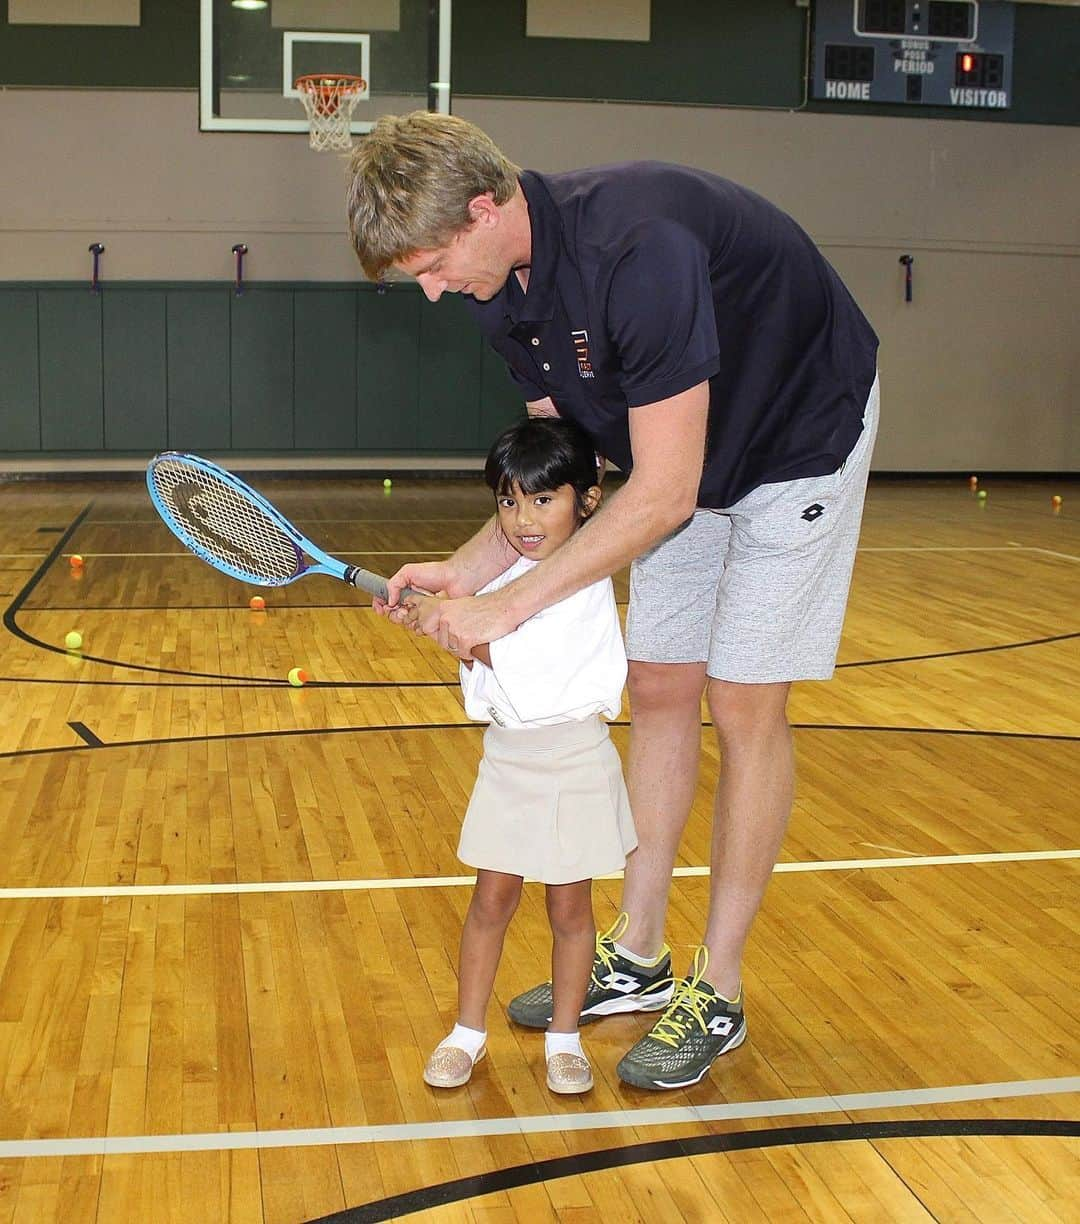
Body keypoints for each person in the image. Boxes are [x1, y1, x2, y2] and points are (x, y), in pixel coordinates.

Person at [349, 112, 880, 1091]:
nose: (429, 290)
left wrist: (508, 612)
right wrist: (472, 571)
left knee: (744, 700)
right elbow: (564, 467)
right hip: (675, 458)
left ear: (484, 208)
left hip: (794, 435)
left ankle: (717, 990)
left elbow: (664, 495)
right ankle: (637, 957)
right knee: (661, 683)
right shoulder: (497, 289)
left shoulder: (640, 249)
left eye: (429, 263)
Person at [404, 416, 637, 1095]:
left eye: (543, 499)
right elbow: (489, 674)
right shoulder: (506, 578)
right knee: (490, 902)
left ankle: (565, 1039)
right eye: (509, 500)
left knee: (570, 912)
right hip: (509, 760)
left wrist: (452, 628)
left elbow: (527, 663)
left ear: (586, 501)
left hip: (574, 759)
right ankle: (467, 1033)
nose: (524, 518)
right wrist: (446, 621)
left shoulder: (577, 578)